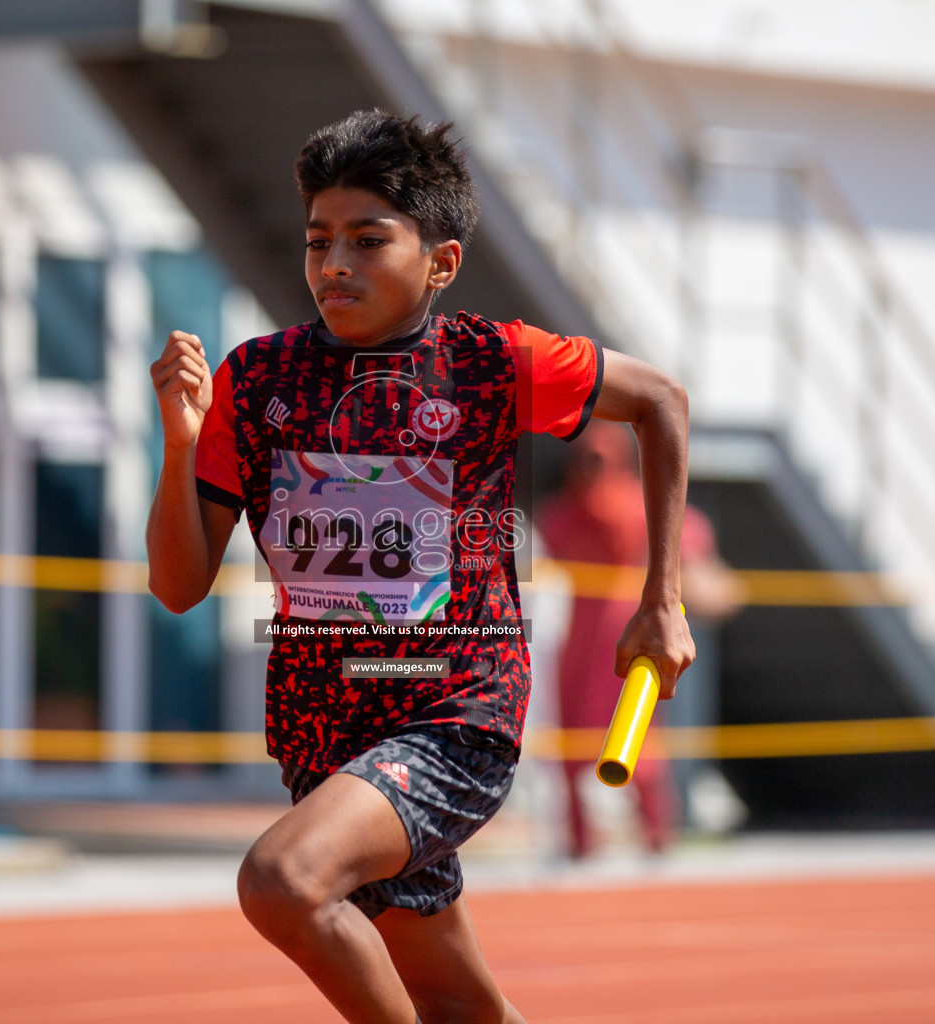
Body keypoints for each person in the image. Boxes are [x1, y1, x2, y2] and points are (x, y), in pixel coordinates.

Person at [147, 110, 694, 1024]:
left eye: (368, 241)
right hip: (323, 730)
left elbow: (662, 403)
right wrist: (179, 438)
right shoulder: (257, 379)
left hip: (454, 713)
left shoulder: (491, 360)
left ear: (440, 262)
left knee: (284, 880)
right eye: (319, 242)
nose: (334, 266)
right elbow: (177, 585)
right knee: (456, 1005)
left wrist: (661, 598)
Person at [540, 423, 743, 856]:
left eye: (598, 458)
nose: (590, 469)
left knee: (641, 743)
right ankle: (583, 839)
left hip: (632, 641)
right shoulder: (565, 514)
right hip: (584, 645)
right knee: (574, 745)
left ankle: (655, 835)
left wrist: (708, 586)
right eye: (584, 459)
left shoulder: (636, 507)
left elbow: (698, 560)